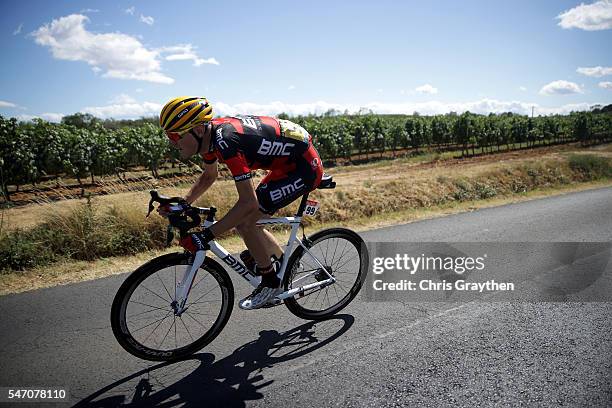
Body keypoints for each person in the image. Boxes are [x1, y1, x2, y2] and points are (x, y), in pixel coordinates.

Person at [159, 96, 323, 309]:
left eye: (174, 136)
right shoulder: (208, 140)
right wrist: (182, 203)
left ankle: (271, 283)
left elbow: (248, 203)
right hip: (286, 162)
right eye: (168, 136)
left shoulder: (226, 141)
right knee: (250, 223)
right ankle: (285, 266)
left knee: (246, 222)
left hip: (304, 168)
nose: (172, 142)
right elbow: (209, 176)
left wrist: (207, 235)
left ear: (198, 130)